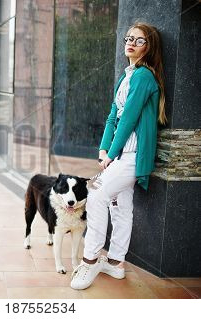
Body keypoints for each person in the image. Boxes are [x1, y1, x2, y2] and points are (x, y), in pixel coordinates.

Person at [70, 22, 167, 290]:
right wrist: (104, 148)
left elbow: (130, 119)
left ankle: (89, 261)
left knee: (98, 196)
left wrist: (111, 155)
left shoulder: (144, 77)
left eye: (139, 40)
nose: (131, 43)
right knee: (121, 206)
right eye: (129, 38)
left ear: (149, 48)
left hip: (134, 155)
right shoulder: (126, 76)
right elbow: (114, 116)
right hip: (120, 154)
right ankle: (115, 264)